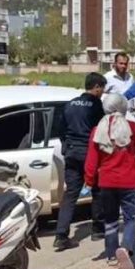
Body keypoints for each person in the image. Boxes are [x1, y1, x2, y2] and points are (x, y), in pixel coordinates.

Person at [85, 93, 135, 269]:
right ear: (123, 107)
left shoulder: (98, 130)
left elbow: (91, 160)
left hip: (106, 183)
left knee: (110, 219)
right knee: (131, 218)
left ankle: (111, 254)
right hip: (128, 182)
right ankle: (126, 248)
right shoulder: (132, 127)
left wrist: (88, 180)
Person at [53, 73, 106, 251]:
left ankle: (61, 235)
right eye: (102, 88)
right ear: (97, 87)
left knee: (70, 195)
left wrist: (67, 147)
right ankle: (98, 229)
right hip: (89, 153)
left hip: (72, 153)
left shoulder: (70, 103)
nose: (102, 92)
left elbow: (61, 129)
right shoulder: (96, 105)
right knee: (97, 190)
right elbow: (100, 130)